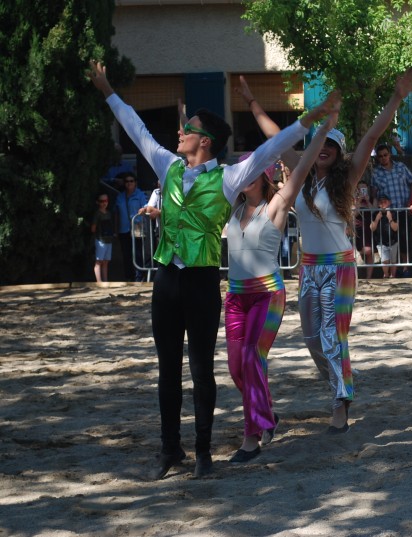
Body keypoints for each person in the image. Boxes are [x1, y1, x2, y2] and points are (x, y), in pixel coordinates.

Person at [89, 60, 325, 479]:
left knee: (200, 368)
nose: (178, 133)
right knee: (167, 369)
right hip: (166, 279)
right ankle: (169, 449)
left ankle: (202, 450)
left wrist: (308, 119)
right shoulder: (168, 166)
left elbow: (271, 150)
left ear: (206, 141)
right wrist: (107, 89)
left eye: (188, 128)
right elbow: (135, 130)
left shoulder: (232, 178)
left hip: (201, 281)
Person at [294, 68, 412, 433]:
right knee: (312, 339)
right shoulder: (300, 178)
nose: (324, 151)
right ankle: (340, 380)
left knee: (333, 335)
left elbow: (373, 135)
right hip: (308, 268)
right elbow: (275, 141)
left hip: (339, 268)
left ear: (338, 153)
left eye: (331, 146)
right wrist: (254, 105)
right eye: (321, 144)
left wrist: (396, 97)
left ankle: (340, 401)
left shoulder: (346, 179)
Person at [224, 105, 341, 463]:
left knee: (252, 357)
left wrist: (323, 129)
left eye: (252, 172)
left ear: (263, 177)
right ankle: (267, 415)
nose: (244, 178)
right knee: (235, 366)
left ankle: (252, 436)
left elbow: (303, 163)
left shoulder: (277, 204)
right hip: (235, 298)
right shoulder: (230, 208)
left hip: (268, 296)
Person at [371, 143, 412, 269]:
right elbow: (374, 193)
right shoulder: (376, 173)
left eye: (385, 155)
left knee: (405, 239)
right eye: (380, 156)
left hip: (403, 209)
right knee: (389, 242)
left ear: (390, 154)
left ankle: (405, 268)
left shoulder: (401, 167)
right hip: (387, 213)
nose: (383, 158)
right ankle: (391, 271)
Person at [114, 172, 149, 281]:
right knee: (126, 255)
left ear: (135, 183)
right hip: (124, 229)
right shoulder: (120, 196)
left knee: (138, 254)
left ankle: (139, 277)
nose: (129, 183)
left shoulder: (140, 195)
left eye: (131, 181)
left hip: (137, 228)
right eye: (126, 181)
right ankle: (129, 277)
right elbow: (116, 213)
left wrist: (143, 210)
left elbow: (146, 208)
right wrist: (115, 230)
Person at [369, 194, 400, 278]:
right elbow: (372, 228)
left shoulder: (393, 213)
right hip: (381, 242)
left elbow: (395, 228)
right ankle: (386, 274)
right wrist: (377, 219)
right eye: (381, 202)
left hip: (393, 241)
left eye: (385, 202)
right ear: (378, 204)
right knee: (385, 260)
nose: (383, 204)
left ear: (389, 203)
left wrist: (390, 218)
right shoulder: (375, 213)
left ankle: (393, 276)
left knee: (393, 261)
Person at [353, 180, 375, 278]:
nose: (362, 190)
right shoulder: (353, 199)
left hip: (369, 227)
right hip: (358, 228)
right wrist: (358, 201)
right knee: (358, 250)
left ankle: (369, 277)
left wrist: (367, 201)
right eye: (360, 188)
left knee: (369, 252)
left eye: (364, 188)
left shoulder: (372, 199)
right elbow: (354, 214)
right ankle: (355, 275)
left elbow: (374, 211)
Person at [91, 193, 114, 283]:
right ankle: (99, 281)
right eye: (102, 201)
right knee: (99, 261)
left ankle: (105, 280)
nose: (104, 203)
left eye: (106, 201)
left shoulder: (109, 213)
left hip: (108, 240)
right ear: (98, 202)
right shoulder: (97, 214)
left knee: (105, 262)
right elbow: (93, 228)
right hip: (100, 240)